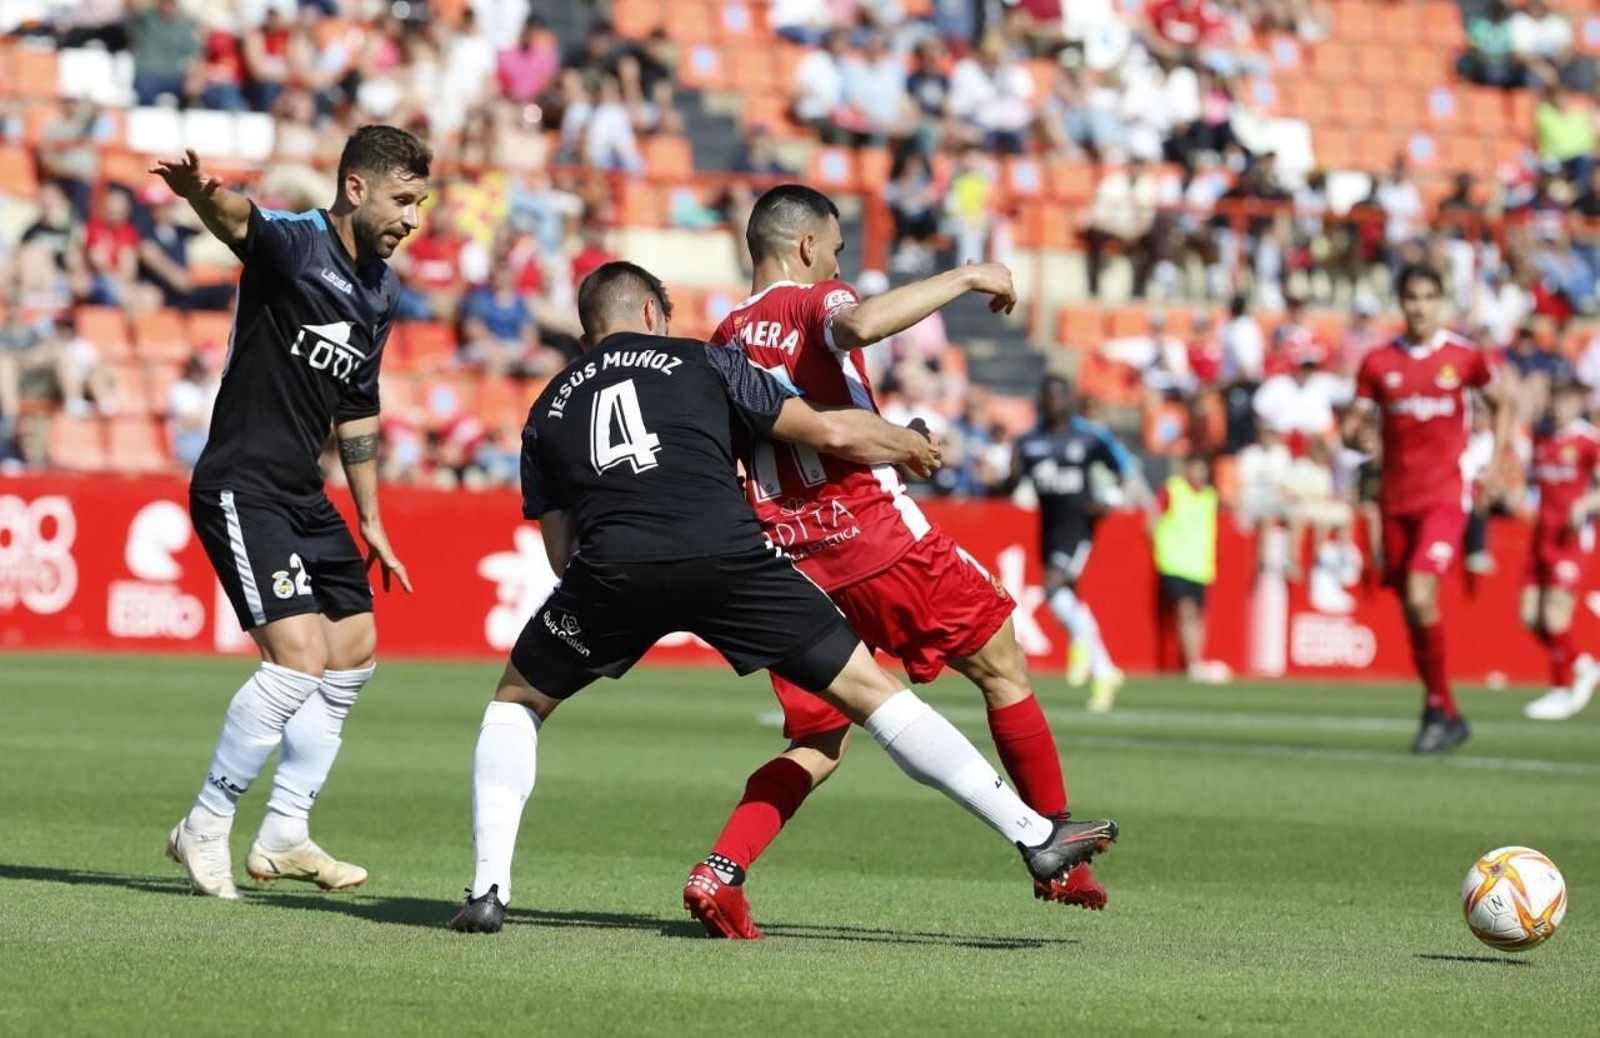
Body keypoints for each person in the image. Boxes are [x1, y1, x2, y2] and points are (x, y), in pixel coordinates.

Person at [448, 262, 1118, 933]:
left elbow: (562, 553)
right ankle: (1033, 835)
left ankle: (488, 891)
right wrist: (907, 443)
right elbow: (829, 431)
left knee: (518, 704)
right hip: (729, 558)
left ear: (589, 326)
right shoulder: (705, 360)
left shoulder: (546, 408)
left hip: (613, 568)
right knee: (877, 696)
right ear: (651, 314)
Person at [694, 185, 1107, 941]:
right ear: (810, 247)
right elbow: (856, 323)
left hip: (788, 564)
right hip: (874, 540)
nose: (840, 262)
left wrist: (887, 433)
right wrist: (968, 275)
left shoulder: (722, 338)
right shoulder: (812, 300)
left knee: (819, 740)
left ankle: (719, 870)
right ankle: (1057, 850)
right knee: (1003, 666)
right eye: (839, 248)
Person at [149, 126, 432, 899]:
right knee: (298, 658)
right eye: (403, 201)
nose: (412, 218)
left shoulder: (382, 287)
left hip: (306, 494)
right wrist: (199, 193)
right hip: (241, 484)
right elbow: (243, 221)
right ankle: (204, 824)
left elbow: (359, 405)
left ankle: (284, 833)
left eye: (421, 203)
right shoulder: (298, 243)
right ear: (356, 189)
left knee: (354, 650)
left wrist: (371, 516)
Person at [1342, 263, 1513, 754]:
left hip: (1444, 496)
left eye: (1427, 297)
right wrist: (1358, 434)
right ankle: (1444, 711)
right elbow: (1353, 424)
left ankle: (1438, 707)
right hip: (1396, 500)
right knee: (1413, 609)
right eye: (1411, 297)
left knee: (1420, 595)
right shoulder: (1378, 362)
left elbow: (1503, 402)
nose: (1419, 306)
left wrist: (1496, 464)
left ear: (1440, 302)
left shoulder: (1463, 357)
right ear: (1401, 302)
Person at [1012, 376, 1136, 711]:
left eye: (1059, 396)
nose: (1053, 402)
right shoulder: (1028, 441)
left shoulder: (1090, 438)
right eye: (1047, 396)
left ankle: (1080, 648)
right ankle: (1105, 672)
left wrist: (1110, 498)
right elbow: (1012, 480)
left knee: (1054, 585)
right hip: (1050, 528)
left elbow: (1124, 466)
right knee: (1065, 599)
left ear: (1069, 400)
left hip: (1079, 525)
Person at [1521, 379, 1600, 721]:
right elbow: (1533, 488)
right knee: (1529, 616)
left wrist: (1586, 504)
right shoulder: (1543, 439)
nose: (1561, 406)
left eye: (1568, 399)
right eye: (1557, 398)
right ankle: (1584, 665)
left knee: (1555, 616)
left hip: (1571, 539)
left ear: (1579, 403)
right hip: (1542, 536)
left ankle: (1558, 690)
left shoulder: (1588, 441)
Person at [1149, 453, 1228, 684]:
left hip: (1200, 566)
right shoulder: (1173, 490)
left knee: (1199, 616)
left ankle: (1197, 662)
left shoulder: (1210, 496)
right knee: (1186, 610)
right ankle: (1193, 663)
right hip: (1174, 562)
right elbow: (1152, 520)